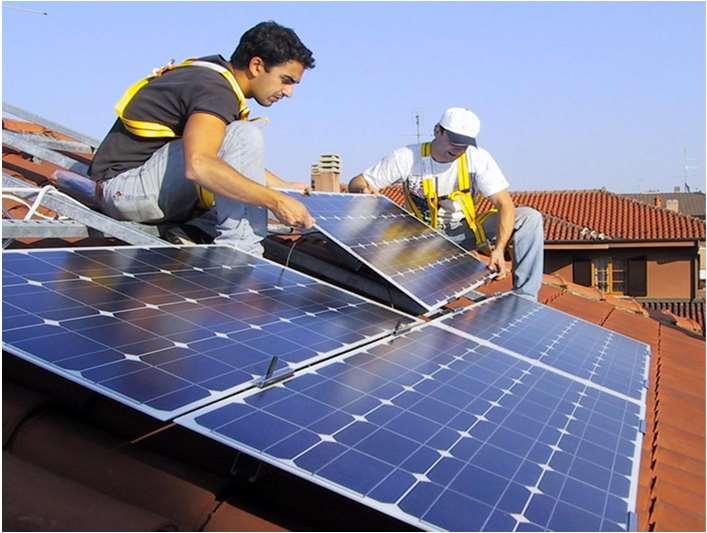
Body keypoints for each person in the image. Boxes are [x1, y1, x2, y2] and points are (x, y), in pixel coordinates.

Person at [87, 21, 316, 255]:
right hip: (124, 190)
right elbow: (200, 165)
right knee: (245, 133)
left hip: (137, 188)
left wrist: (282, 187)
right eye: (286, 80)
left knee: (238, 140)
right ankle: (242, 252)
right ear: (256, 65)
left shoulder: (214, 78)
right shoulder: (214, 91)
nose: (289, 93)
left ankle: (224, 240)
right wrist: (275, 200)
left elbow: (229, 154)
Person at [348, 107, 544, 299]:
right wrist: (364, 190)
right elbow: (357, 182)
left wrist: (499, 249)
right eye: (454, 141)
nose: (458, 149)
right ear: (437, 131)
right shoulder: (407, 157)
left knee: (529, 218)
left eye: (464, 145)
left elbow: (505, 204)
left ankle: (525, 296)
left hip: (465, 231)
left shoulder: (477, 158)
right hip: (421, 237)